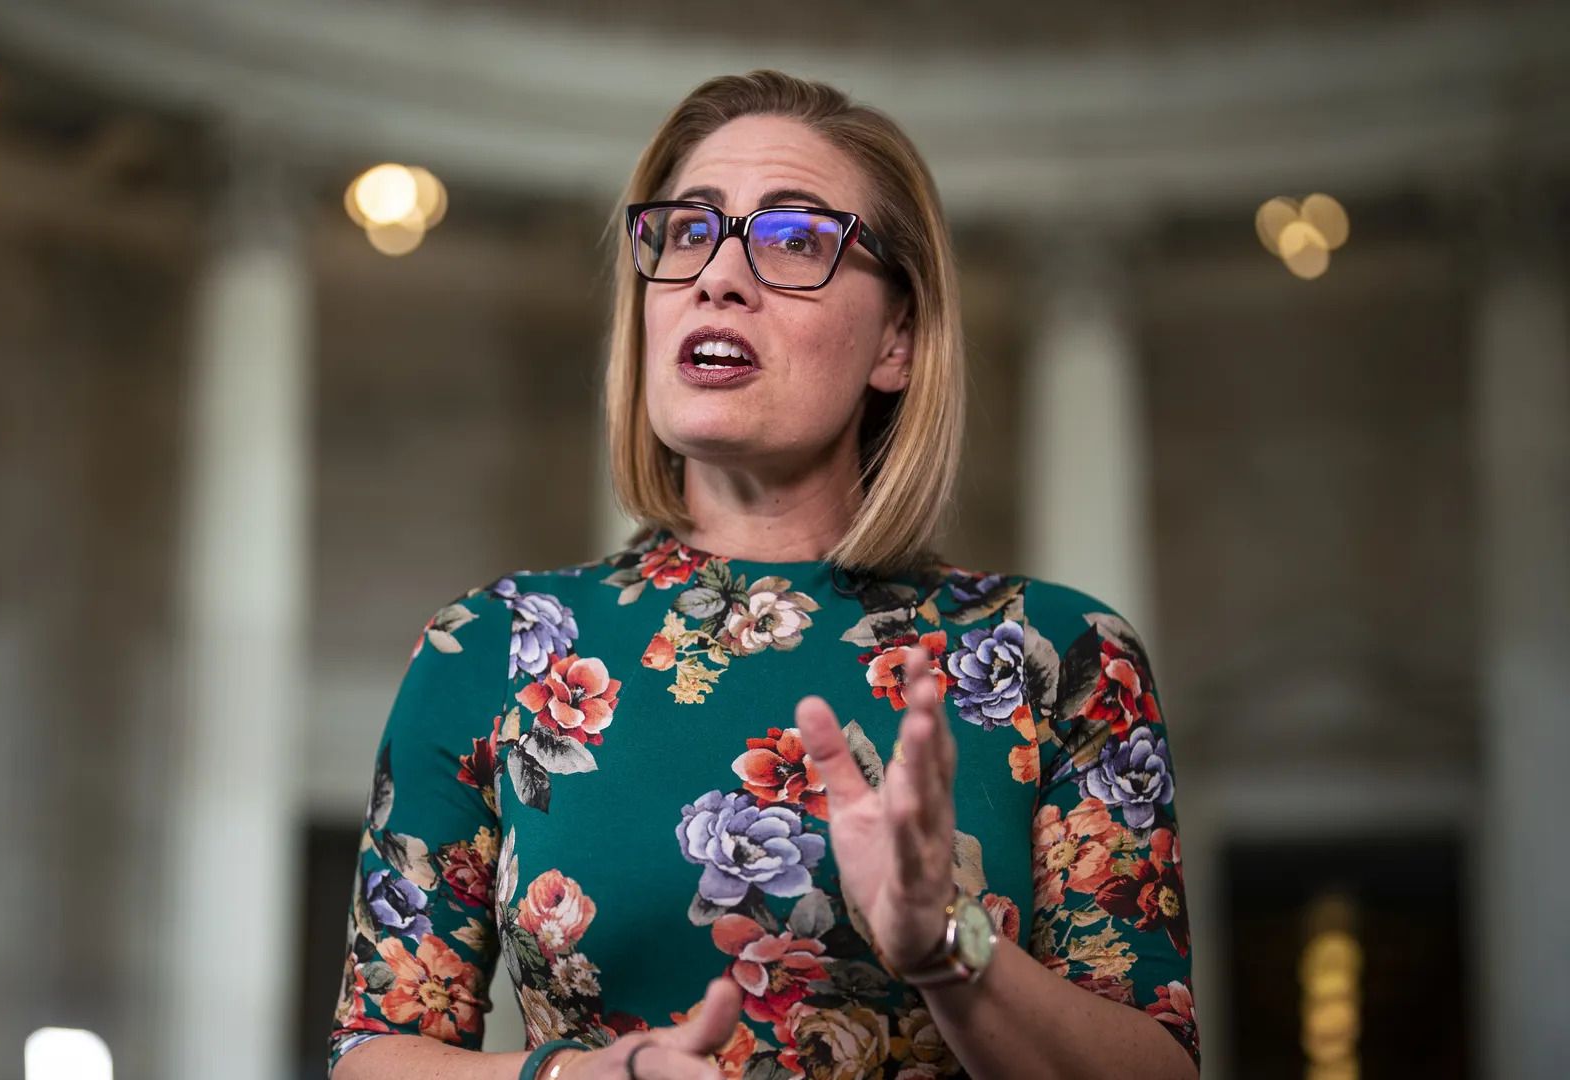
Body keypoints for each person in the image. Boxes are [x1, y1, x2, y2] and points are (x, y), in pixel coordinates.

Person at [329, 70, 1199, 1080]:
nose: (717, 277)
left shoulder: (1061, 657)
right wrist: (569, 1078)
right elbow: (375, 1051)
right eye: (688, 234)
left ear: (899, 341)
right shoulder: (496, 644)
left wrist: (947, 950)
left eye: (795, 243)